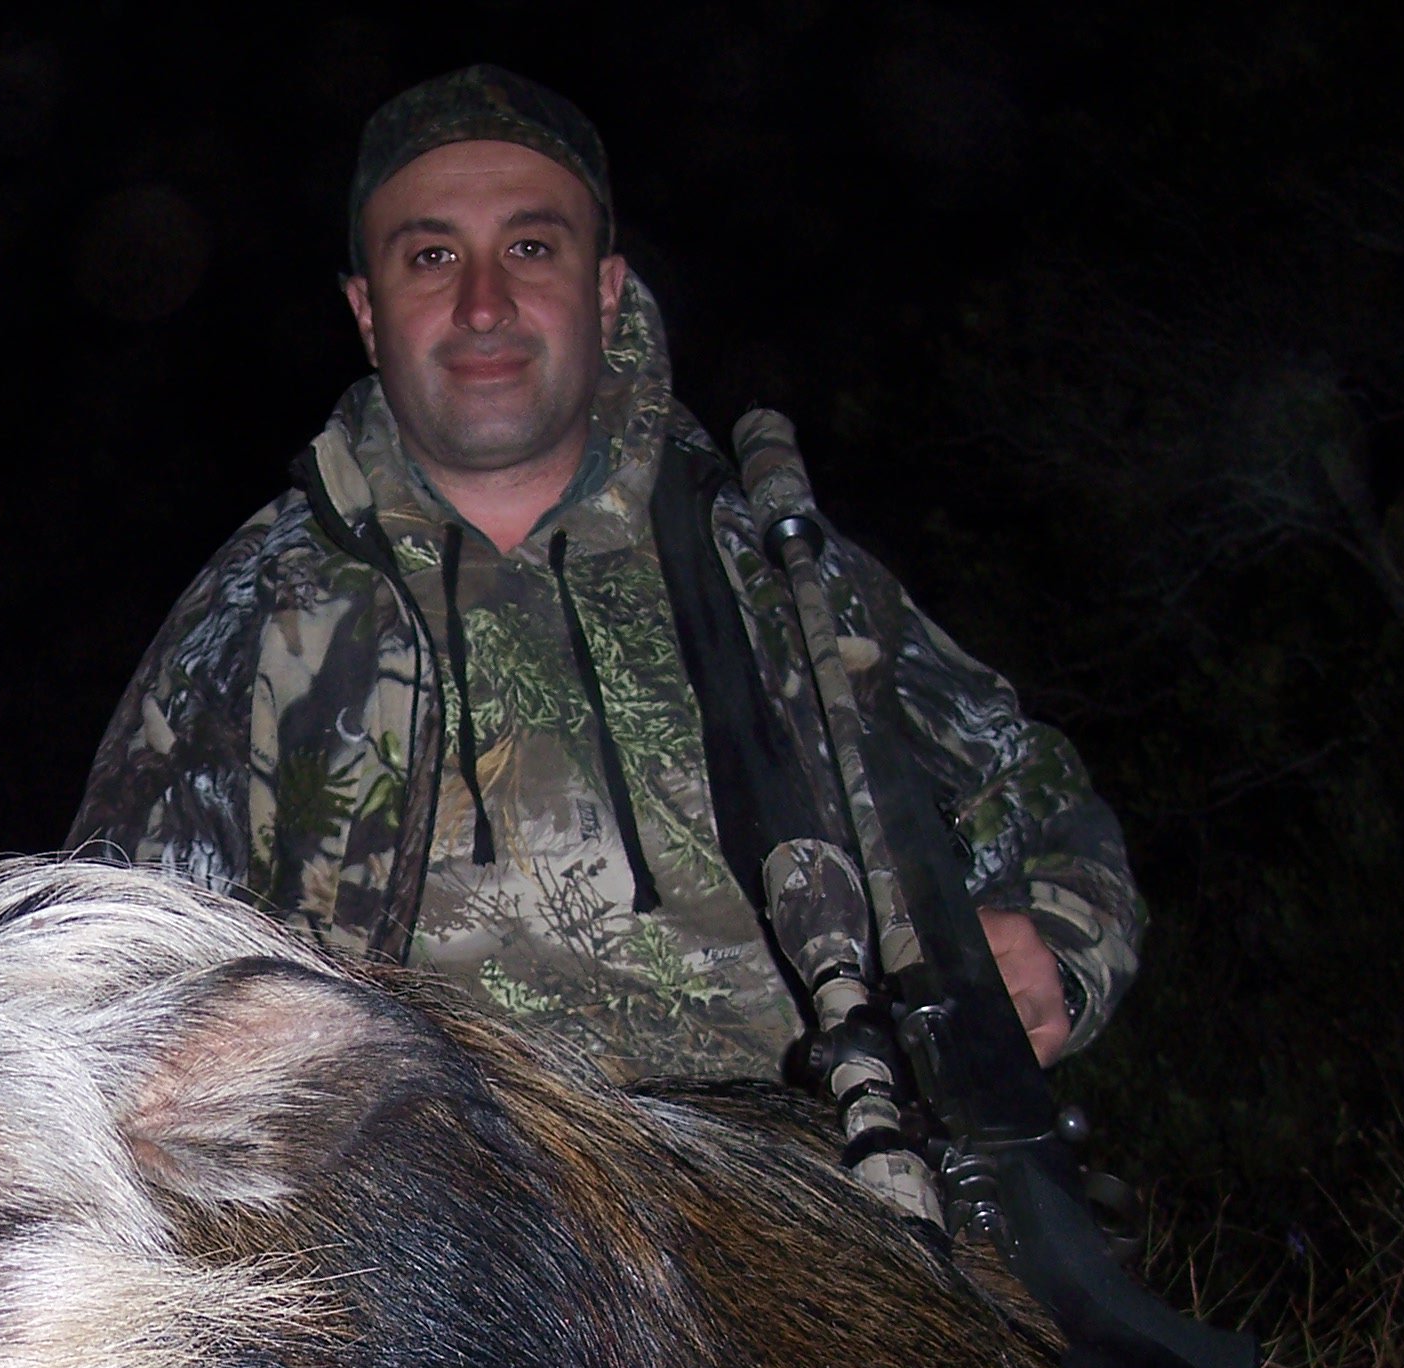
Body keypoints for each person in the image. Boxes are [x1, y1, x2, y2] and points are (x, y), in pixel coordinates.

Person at [71, 65, 1143, 1095]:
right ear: (366, 311)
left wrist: (1049, 942)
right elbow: (105, 973)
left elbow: (1035, 802)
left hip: (828, 1190)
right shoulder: (255, 612)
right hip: (432, 1232)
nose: (483, 304)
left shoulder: (772, 572)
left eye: (530, 247)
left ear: (605, 288)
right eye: (432, 259)